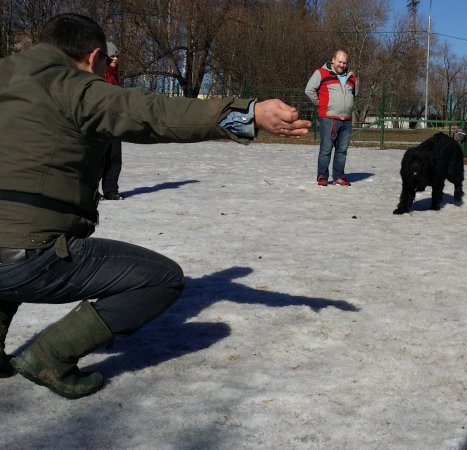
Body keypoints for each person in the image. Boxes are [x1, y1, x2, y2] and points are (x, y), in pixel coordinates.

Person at [0, 13, 310, 398]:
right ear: (94, 56)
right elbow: (152, 113)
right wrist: (247, 114)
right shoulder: (73, 86)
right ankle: (50, 355)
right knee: (161, 277)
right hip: (27, 254)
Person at [305, 50, 358, 186]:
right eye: (339, 61)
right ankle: (322, 176)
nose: (342, 65)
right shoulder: (321, 73)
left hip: (346, 120)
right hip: (328, 118)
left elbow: (354, 94)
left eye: (344, 62)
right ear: (333, 60)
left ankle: (339, 176)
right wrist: (321, 103)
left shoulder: (353, 77)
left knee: (342, 150)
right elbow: (309, 90)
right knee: (326, 149)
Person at [100, 41, 124, 200]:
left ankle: (111, 190)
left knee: (114, 158)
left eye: (117, 56)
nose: (116, 59)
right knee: (98, 159)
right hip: (100, 124)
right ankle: (91, 191)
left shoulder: (115, 77)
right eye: (112, 56)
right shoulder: (98, 75)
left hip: (115, 124)